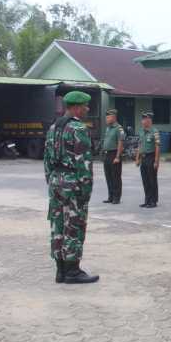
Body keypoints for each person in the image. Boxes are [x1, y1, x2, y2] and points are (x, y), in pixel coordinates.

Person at [43, 90, 98, 284]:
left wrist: (51, 180)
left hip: (56, 183)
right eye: (84, 106)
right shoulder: (78, 129)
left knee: (58, 225)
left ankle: (60, 270)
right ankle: (72, 271)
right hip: (73, 184)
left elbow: (47, 160)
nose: (87, 108)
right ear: (76, 107)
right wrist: (86, 190)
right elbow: (84, 163)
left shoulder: (53, 128)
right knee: (74, 226)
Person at [135, 111, 160, 208]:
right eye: (142, 119)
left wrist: (156, 161)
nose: (142, 121)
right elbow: (140, 145)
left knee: (152, 180)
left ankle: (153, 201)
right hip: (143, 158)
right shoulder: (141, 131)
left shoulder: (155, 132)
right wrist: (137, 158)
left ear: (149, 120)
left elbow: (157, 146)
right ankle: (147, 200)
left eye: (144, 119)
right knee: (145, 180)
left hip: (151, 157)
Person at [101, 108, 125, 204]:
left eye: (108, 117)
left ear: (114, 117)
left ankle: (116, 197)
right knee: (108, 177)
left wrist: (118, 157)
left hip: (114, 154)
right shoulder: (108, 128)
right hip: (107, 155)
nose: (106, 119)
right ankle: (110, 196)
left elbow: (120, 143)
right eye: (106, 117)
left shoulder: (119, 129)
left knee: (115, 177)